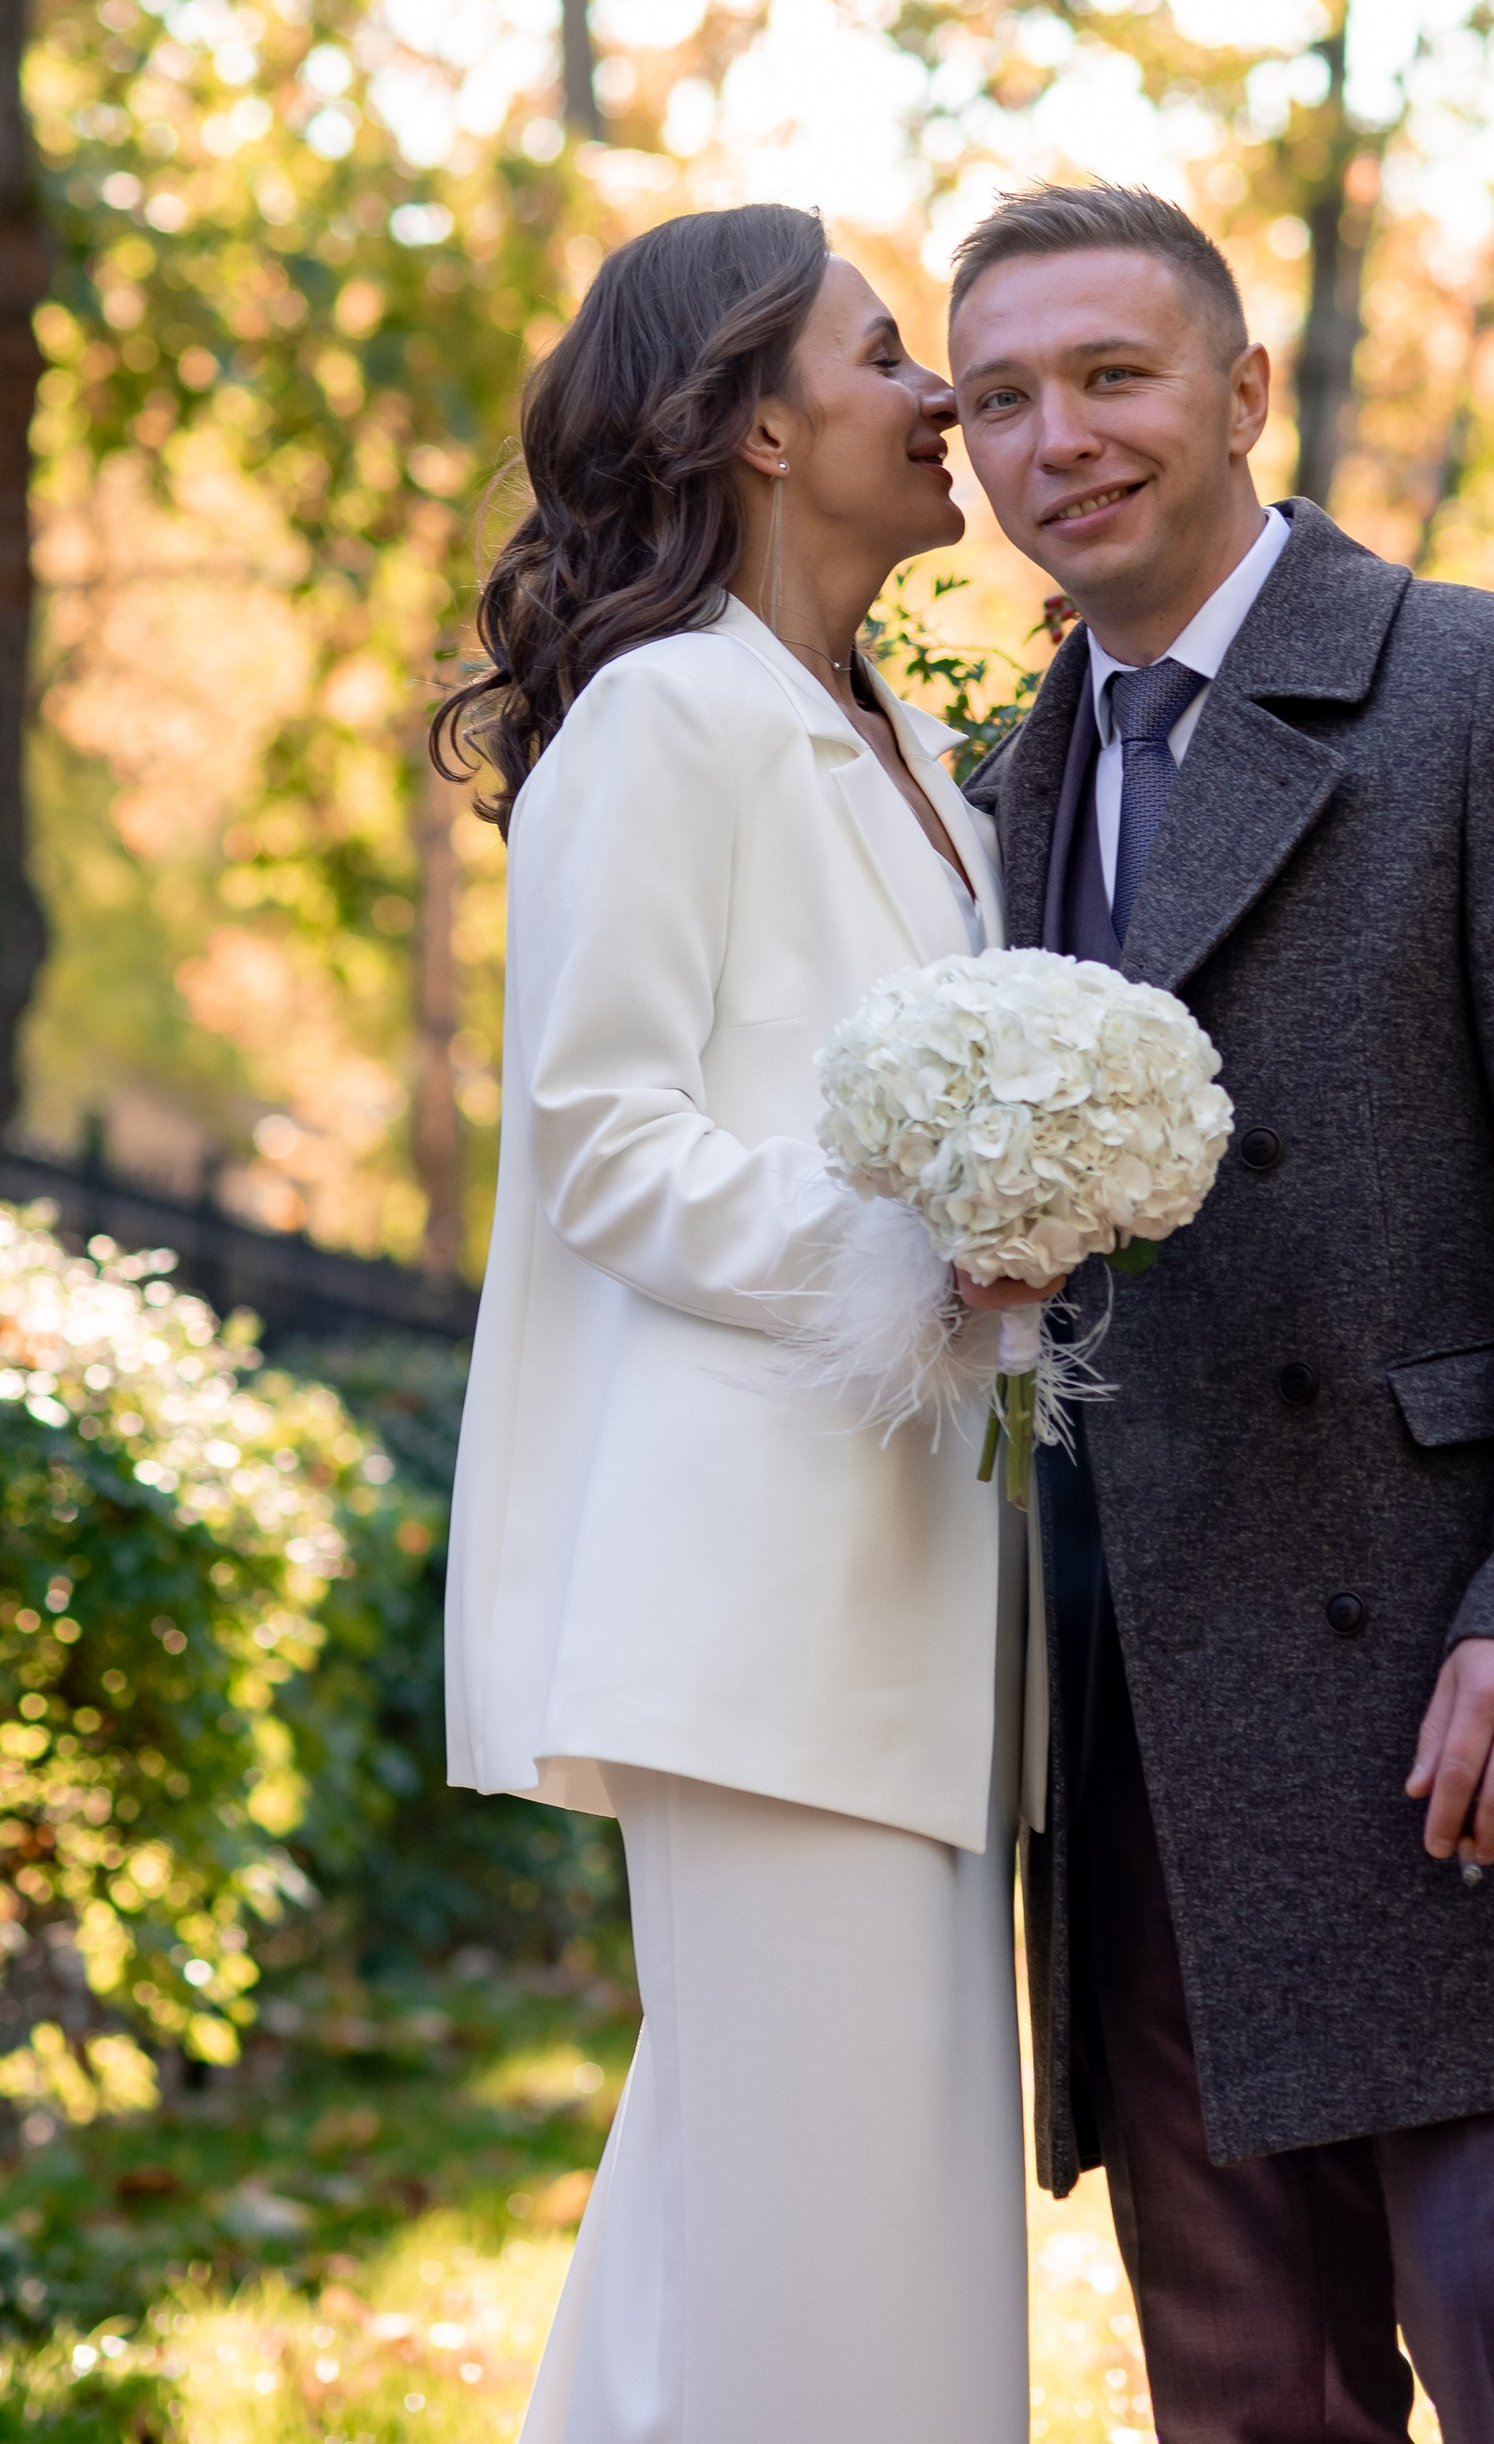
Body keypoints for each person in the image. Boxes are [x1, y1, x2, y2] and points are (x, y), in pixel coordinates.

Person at [946, 179, 1494, 2444]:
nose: (1055, 440)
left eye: (1109, 375)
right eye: (998, 398)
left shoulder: (1491, 682)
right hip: (1137, 1704)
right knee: (1246, 2393)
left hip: (1446, 1673)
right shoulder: (1000, 789)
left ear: (1240, 391)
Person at [439, 202, 1029, 2444]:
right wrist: (925, 1256)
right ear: (760, 427)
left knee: (815, 2219)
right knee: (809, 2240)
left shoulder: (915, 752)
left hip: (925, 1590)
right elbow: (601, 1139)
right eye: (883, 354)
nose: (936, 394)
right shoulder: (665, 720)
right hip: (759, 1606)